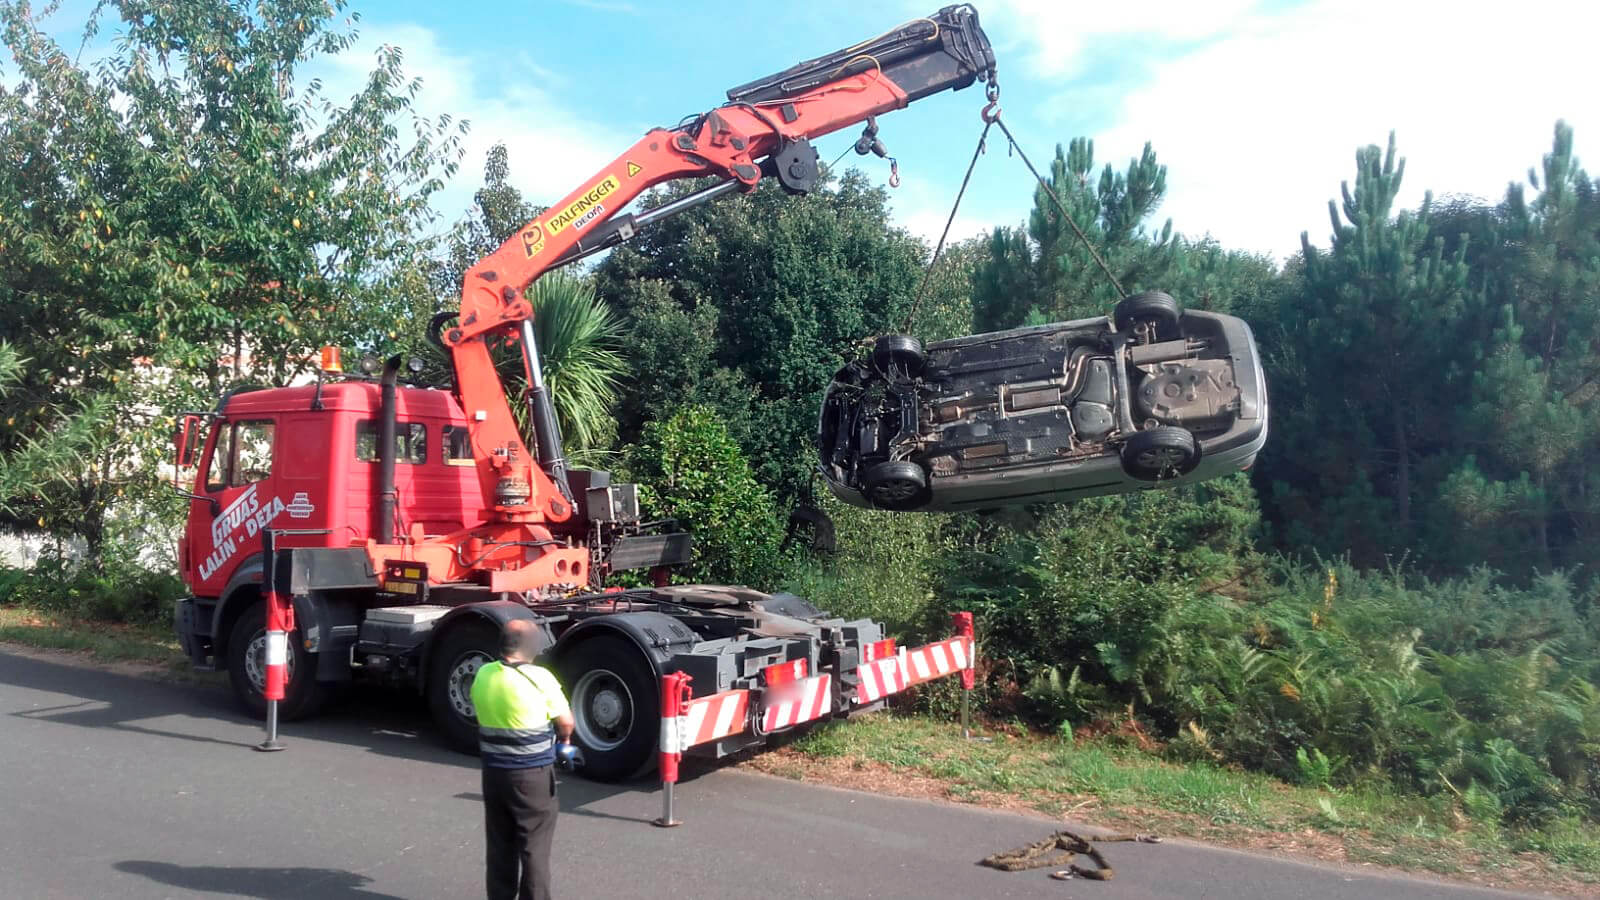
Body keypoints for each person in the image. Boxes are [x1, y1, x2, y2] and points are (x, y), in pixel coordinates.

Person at [470, 619, 576, 900]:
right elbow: (566, 722)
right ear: (531, 646)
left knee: (500, 844)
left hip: (493, 773)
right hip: (532, 775)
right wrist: (565, 742)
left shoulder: (483, 674)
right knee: (534, 848)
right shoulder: (539, 677)